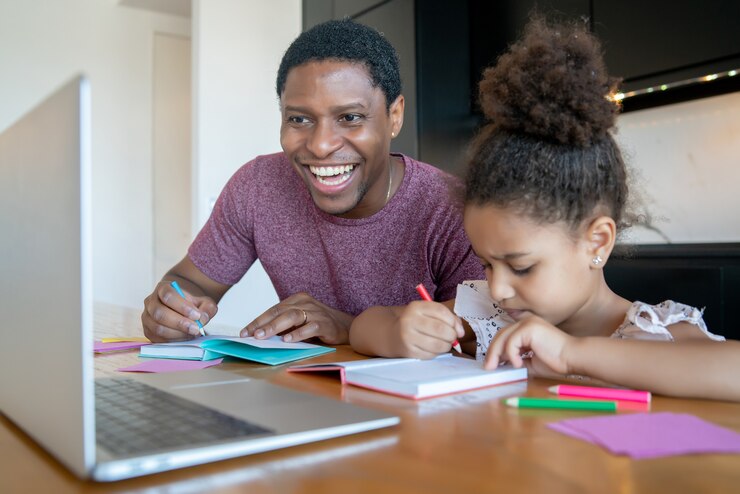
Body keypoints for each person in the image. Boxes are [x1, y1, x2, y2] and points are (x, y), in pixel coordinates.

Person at [141, 19, 484, 348]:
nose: (321, 145)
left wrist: (348, 328)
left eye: (349, 118)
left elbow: (481, 336)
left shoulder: (452, 208)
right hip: (302, 399)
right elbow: (188, 281)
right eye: (299, 119)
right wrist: (172, 310)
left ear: (394, 116)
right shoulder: (257, 187)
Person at [457, 15, 740, 401]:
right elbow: (367, 328)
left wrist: (570, 353)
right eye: (487, 264)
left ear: (597, 242)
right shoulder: (493, 319)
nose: (499, 288)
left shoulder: (655, 332)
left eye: (521, 266)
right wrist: (408, 326)